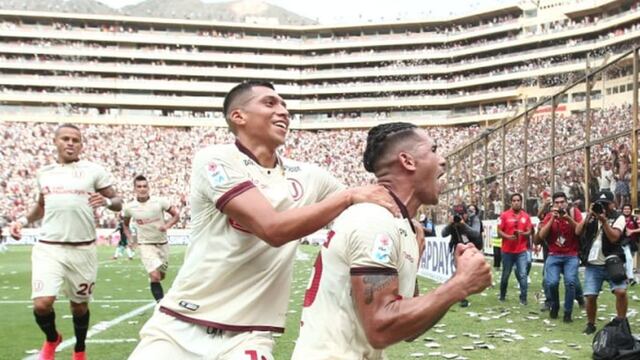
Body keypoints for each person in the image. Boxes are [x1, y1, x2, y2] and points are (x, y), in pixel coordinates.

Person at [128, 81, 396, 360]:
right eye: (270, 103)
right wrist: (348, 196)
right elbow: (272, 228)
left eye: (284, 106)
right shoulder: (215, 159)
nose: (283, 111)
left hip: (248, 336)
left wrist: (402, 225)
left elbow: (366, 209)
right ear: (238, 116)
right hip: (178, 325)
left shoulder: (309, 177)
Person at [292, 122, 492, 359]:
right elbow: (380, 328)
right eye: (433, 150)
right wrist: (459, 285)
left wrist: (456, 283)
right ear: (408, 161)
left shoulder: (403, 227)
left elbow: (408, 330)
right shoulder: (374, 219)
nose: (443, 160)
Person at [9, 123, 122, 360]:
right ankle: (52, 339)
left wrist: (107, 202)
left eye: (75, 140)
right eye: (66, 139)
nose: (70, 143)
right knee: (42, 304)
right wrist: (22, 220)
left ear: (81, 145)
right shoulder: (45, 173)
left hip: (82, 250)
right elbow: (40, 206)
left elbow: (117, 200)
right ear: (55, 142)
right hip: (49, 248)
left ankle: (79, 350)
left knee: (79, 307)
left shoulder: (93, 171)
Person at [122, 175, 180, 302]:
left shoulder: (160, 202)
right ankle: (160, 305)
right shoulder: (129, 207)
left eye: (144, 186)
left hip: (162, 243)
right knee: (154, 276)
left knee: (161, 276)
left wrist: (167, 225)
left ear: (148, 187)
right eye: (139, 186)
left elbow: (176, 215)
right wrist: (130, 238)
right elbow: (125, 225)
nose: (142, 189)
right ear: (134, 189)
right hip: (145, 244)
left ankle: (158, 291)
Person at [578, 190, 627, 335]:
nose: (603, 207)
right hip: (593, 264)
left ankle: (621, 323)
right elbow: (577, 231)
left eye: (606, 204)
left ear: (612, 204)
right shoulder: (591, 217)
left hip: (612, 261)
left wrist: (604, 221)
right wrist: (589, 216)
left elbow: (614, 238)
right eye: (600, 204)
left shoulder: (619, 217)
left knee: (621, 292)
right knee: (591, 296)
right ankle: (590, 324)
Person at [535, 192, 584, 323]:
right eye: (557, 203)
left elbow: (580, 230)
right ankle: (555, 305)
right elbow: (541, 235)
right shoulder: (550, 216)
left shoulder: (574, 212)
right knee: (551, 282)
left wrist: (567, 218)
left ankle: (568, 312)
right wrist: (552, 219)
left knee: (570, 282)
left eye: (562, 202)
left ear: (566, 203)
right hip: (553, 254)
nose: (560, 205)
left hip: (571, 255)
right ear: (553, 205)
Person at [441, 202, 483, 307]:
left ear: (466, 213)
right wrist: (450, 224)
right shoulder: (454, 221)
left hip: (472, 247)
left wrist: (463, 225)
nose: (459, 217)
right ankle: (461, 297)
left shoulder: (474, 218)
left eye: (462, 214)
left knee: (469, 273)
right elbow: (443, 234)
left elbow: (476, 233)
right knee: (460, 271)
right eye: (457, 214)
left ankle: (450, 288)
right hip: (458, 247)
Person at [497, 193, 533, 305]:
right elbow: (498, 231)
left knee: (523, 274)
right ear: (511, 202)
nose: (516, 202)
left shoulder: (526, 216)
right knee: (505, 275)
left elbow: (530, 231)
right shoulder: (504, 215)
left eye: (518, 200)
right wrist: (508, 236)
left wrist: (524, 233)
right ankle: (502, 295)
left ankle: (523, 298)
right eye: (514, 200)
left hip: (521, 251)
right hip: (507, 251)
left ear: (521, 202)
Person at [621, 204, 639, 285]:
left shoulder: (635, 218)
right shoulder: (620, 218)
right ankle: (631, 278)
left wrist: (632, 231)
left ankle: (625, 278)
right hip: (623, 242)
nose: (626, 210)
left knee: (628, 260)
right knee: (629, 259)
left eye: (628, 209)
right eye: (625, 209)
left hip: (633, 242)